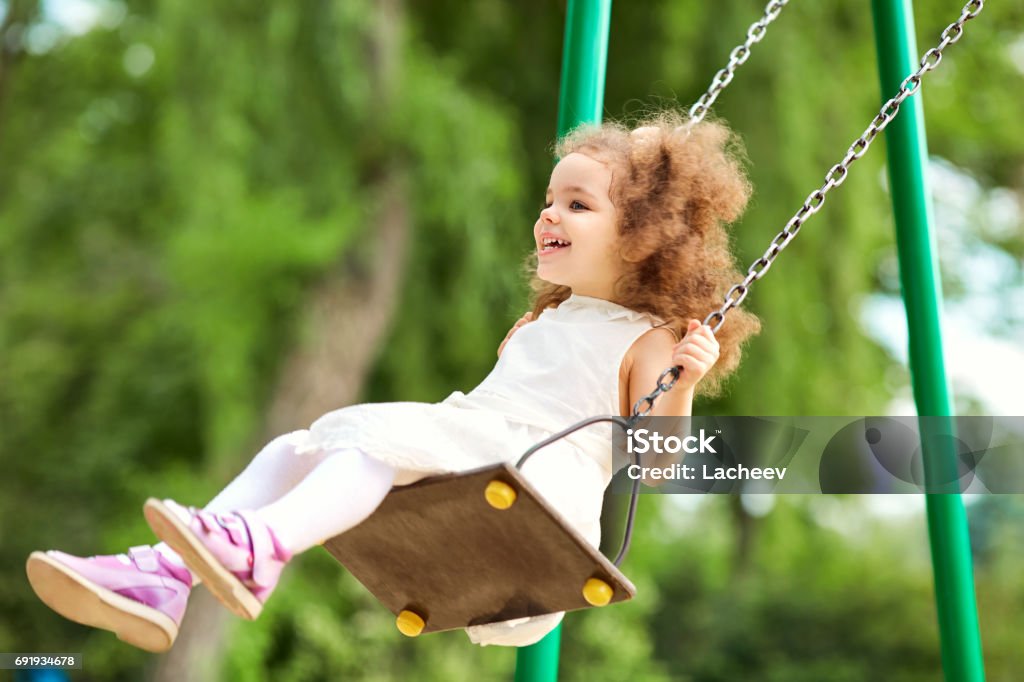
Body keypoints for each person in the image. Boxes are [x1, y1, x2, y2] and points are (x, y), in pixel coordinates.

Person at [26, 110, 760, 652]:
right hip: (485, 465)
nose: (548, 214)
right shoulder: (542, 325)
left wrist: (686, 380)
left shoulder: (653, 340)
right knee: (298, 447)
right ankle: (164, 579)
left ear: (641, 237)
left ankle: (257, 550)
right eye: (548, 199)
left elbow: (656, 466)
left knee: (370, 444)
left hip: (539, 500)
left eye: (577, 203)